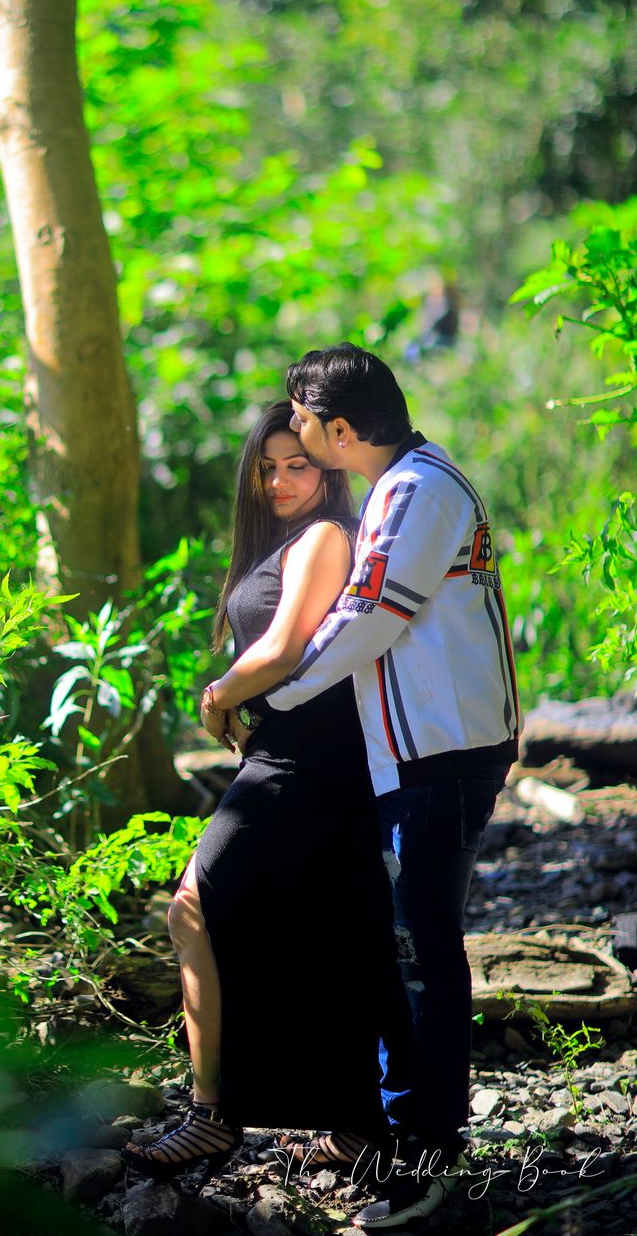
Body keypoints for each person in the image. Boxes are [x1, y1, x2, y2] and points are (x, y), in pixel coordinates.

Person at [206, 344, 520, 1230]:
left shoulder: (419, 490)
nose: (294, 432)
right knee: (400, 946)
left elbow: (373, 615)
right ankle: (390, 1126)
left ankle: (430, 1156)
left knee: (425, 957)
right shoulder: (405, 485)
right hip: (420, 753)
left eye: (303, 420)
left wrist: (271, 694)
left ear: (341, 431)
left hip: (440, 757)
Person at [122, 402, 403, 1187]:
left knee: (192, 909)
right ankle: (354, 1124)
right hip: (288, 755)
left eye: (298, 464)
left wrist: (218, 696)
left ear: (326, 466)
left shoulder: (322, 537)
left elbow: (281, 648)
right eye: (269, 466)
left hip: (307, 763)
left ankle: (212, 1116)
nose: (280, 479)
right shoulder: (281, 540)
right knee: (326, 931)